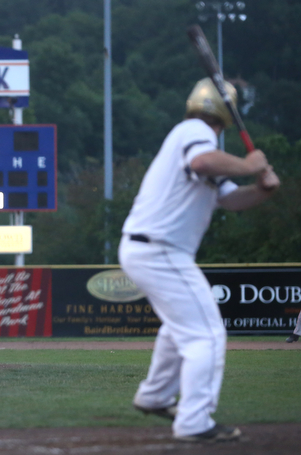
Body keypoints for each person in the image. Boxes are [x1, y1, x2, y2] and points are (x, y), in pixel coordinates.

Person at [118, 78, 280, 442]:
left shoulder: (199, 138)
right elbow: (203, 161)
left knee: (181, 329)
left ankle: (155, 396)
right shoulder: (194, 132)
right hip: (159, 249)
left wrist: (261, 190)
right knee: (206, 334)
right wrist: (249, 163)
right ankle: (194, 421)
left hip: (153, 249)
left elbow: (229, 200)